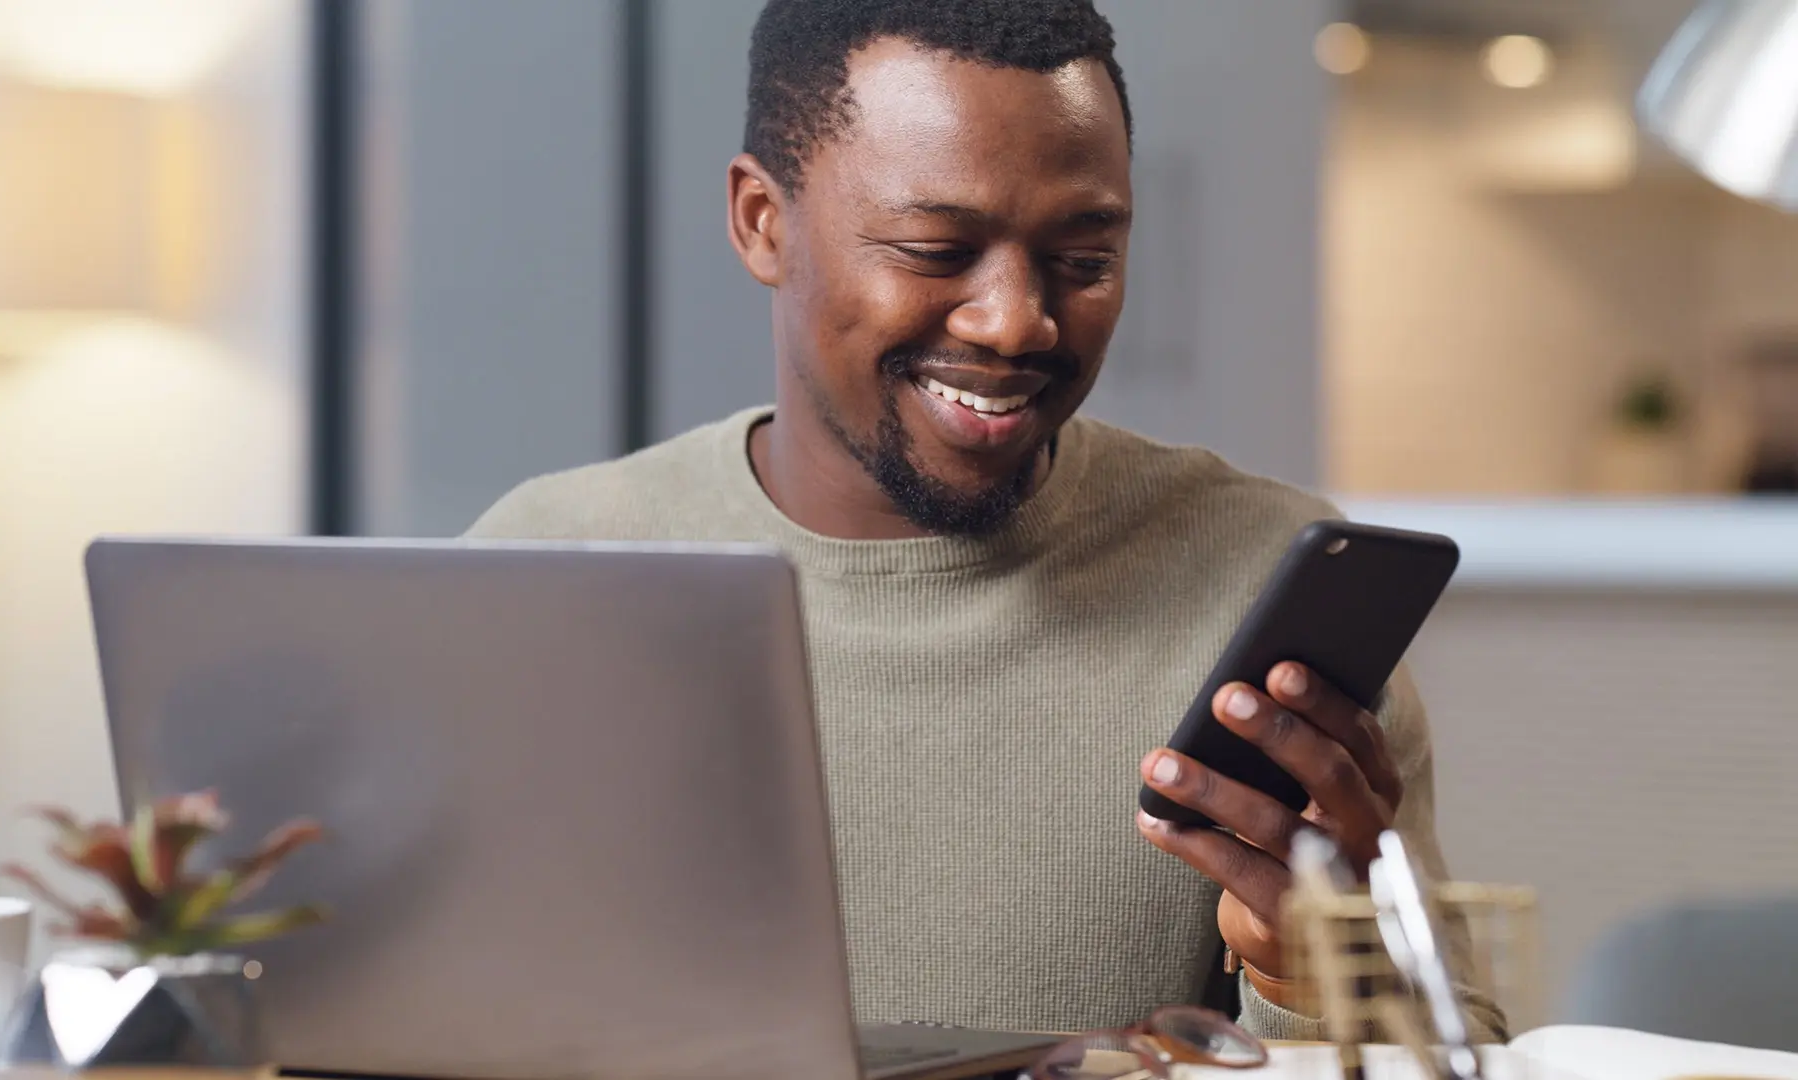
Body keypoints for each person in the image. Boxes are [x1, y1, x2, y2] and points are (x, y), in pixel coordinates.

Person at [466, 0, 1502, 1042]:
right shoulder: (533, 569)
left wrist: (1308, 978)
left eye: (1082, 260)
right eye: (932, 249)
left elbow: (1461, 1056)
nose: (1016, 321)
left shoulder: (1255, 591)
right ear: (760, 222)